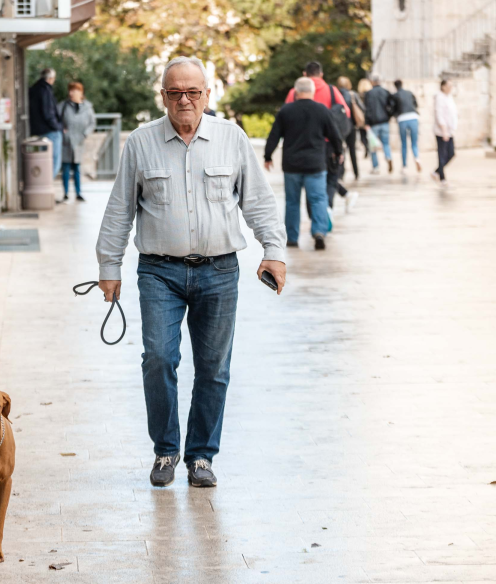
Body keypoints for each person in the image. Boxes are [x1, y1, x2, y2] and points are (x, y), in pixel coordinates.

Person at [95, 56, 287, 488]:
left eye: (192, 92)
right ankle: (166, 451)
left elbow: (257, 201)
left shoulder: (231, 138)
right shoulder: (141, 142)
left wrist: (273, 250)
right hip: (158, 271)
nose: (184, 100)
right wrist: (109, 266)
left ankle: (201, 457)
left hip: (219, 271)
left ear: (207, 94)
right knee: (159, 358)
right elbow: (120, 209)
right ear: (162, 96)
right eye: (174, 92)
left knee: (214, 367)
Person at [265, 77, 344, 251]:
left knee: (292, 202)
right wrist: (339, 152)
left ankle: (292, 238)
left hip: (292, 165)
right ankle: (319, 232)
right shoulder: (322, 110)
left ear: (295, 92)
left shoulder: (286, 111)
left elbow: (274, 135)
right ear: (313, 91)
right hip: (315, 163)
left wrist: (267, 155)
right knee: (318, 199)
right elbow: (334, 134)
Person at [58, 80, 96, 202]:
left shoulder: (87, 107)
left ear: (80, 92)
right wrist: (61, 130)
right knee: (66, 168)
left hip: (79, 141)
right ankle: (65, 193)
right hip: (66, 141)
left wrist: (85, 134)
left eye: (74, 90)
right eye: (70, 90)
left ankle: (79, 193)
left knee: (77, 168)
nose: (71, 92)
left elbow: (92, 123)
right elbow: (55, 119)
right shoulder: (63, 105)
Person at [28, 68, 62, 179]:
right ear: (51, 78)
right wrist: (58, 127)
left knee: (42, 163)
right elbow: (48, 113)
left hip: (37, 131)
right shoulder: (45, 90)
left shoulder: (35, 88)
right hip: (49, 131)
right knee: (53, 162)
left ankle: (43, 185)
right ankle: (47, 186)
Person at [363, 72, 394, 174]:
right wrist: (389, 116)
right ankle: (388, 156)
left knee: (373, 146)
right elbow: (391, 106)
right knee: (386, 143)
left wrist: (367, 122)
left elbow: (367, 109)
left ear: (372, 81)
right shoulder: (386, 92)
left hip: (374, 123)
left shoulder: (368, 94)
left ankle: (376, 167)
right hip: (384, 121)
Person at [432, 79, 458, 185]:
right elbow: (440, 115)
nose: (451, 88)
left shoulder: (449, 97)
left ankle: (436, 172)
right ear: (443, 86)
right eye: (449, 86)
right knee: (442, 154)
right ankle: (442, 177)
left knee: (451, 153)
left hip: (450, 131)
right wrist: (444, 131)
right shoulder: (439, 98)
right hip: (442, 131)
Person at [337, 76, 363, 182]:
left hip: (339, 127)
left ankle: (341, 174)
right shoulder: (353, 94)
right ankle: (356, 172)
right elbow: (362, 108)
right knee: (352, 150)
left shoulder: (335, 94)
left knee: (340, 150)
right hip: (351, 126)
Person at [393, 79, 421, 172]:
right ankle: (417, 158)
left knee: (404, 144)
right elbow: (415, 104)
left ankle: (404, 166)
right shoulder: (409, 93)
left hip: (402, 119)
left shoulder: (395, 95)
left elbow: (393, 108)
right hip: (413, 117)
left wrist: (395, 115)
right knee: (414, 143)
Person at [355, 77, 372, 159]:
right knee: (370, 135)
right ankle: (370, 149)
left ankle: (367, 148)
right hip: (370, 118)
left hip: (362, 118)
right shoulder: (371, 94)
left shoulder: (359, 95)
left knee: (363, 137)